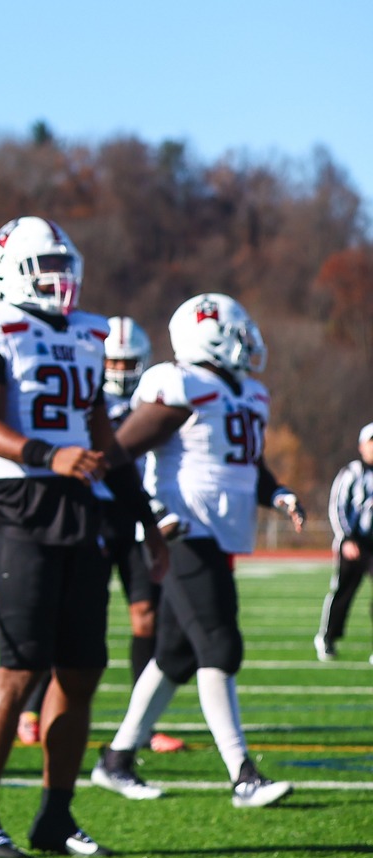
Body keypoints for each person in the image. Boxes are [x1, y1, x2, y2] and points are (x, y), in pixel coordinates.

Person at [0, 215, 168, 858]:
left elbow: (100, 435)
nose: (58, 282)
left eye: (63, 268)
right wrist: (50, 454)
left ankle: (55, 815)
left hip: (80, 503)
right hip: (20, 503)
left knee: (82, 668)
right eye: (45, 269)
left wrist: (147, 521)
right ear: (8, 272)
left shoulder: (84, 335)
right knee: (20, 668)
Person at [90, 294, 305, 807]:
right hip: (183, 531)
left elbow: (242, 461)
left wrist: (274, 492)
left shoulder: (249, 392)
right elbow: (119, 453)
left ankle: (116, 760)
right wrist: (149, 512)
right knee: (219, 644)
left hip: (218, 530)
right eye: (238, 332)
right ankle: (242, 774)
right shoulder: (181, 382)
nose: (248, 342)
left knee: (176, 656)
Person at [16, 317, 179, 752]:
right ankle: (32, 708)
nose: (122, 371)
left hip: (134, 512)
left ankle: (140, 723)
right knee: (64, 619)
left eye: (129, 362)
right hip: (91, 513)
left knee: (147, 616)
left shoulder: (155, 401)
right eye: (115, 361)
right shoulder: (87, 396)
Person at [315, 422, 373, 662]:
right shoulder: (352, 473)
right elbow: (337, 508)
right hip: (353, 543)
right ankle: (327, 637)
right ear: (362, 446)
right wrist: (346, 539)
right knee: (343, 592)